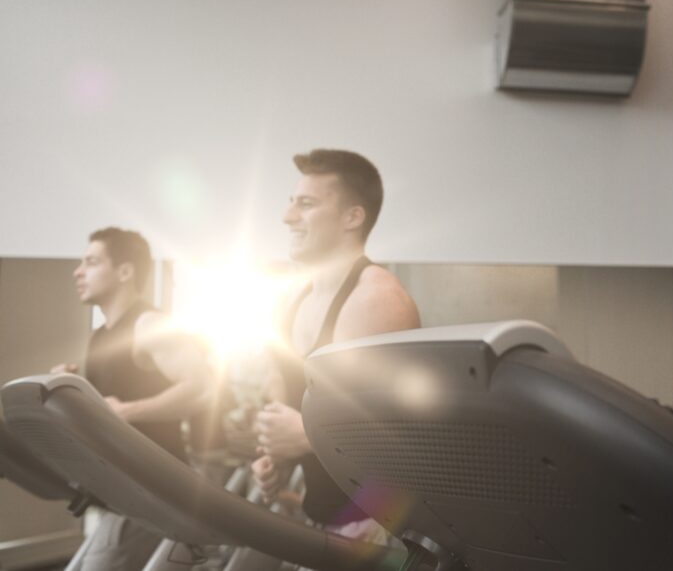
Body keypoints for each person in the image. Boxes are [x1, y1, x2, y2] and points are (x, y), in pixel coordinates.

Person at [252, 148, 419, 549]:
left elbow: (405, 434)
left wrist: (305, 436)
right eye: (291, 202)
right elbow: (289, 397)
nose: (287, 216)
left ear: (352, 217)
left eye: (305, 204)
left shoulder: (376, 301)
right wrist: (276, 454)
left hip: (379, 529)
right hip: (324, 520)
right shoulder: (290, 300)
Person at [55, 227, 211, 571]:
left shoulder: (148, 324)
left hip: (154, 492)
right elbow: (114, 400)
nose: (78, 271)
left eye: (92, 262)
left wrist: (128, 411)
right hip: (118, 491)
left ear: (125, 271)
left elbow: (202, 387)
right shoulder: (102, 335)